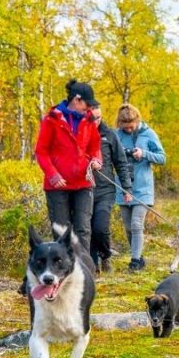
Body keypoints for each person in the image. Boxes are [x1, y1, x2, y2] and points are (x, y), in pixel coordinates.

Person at [34, 79, 102, 251]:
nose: (89, 108)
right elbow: (41, 151)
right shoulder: (51, 120)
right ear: (76, 100)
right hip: (57, 185)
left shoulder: (89, 120)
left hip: (83, 183)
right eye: (87, 104)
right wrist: (53, 174)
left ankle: (85, 269)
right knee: (61, 231)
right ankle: (64, 270)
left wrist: (96, 160)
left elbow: (95, 146)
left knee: (83, 228)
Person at [115, 104, 166, 271]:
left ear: (137, 120)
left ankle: (135, 261)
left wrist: (143, 154)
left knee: (137, 224)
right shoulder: (116, 136)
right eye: (125, 127)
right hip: (122, 188)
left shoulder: (149, 134)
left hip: (143, 189)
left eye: (132, 126)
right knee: (129, 228)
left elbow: (162, 158)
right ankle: (139, 256)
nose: (129, 130)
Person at [90, 106, 132, 273]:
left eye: (98, 117)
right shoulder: (79, 134)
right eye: (92, 118)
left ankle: (105, 254)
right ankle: (93, 266)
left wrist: (126, 188)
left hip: (105, 190)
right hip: (83, 191)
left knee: (100, 227)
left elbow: (121, 163)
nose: (96, 121)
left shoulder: (109, 135)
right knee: (87, 230)